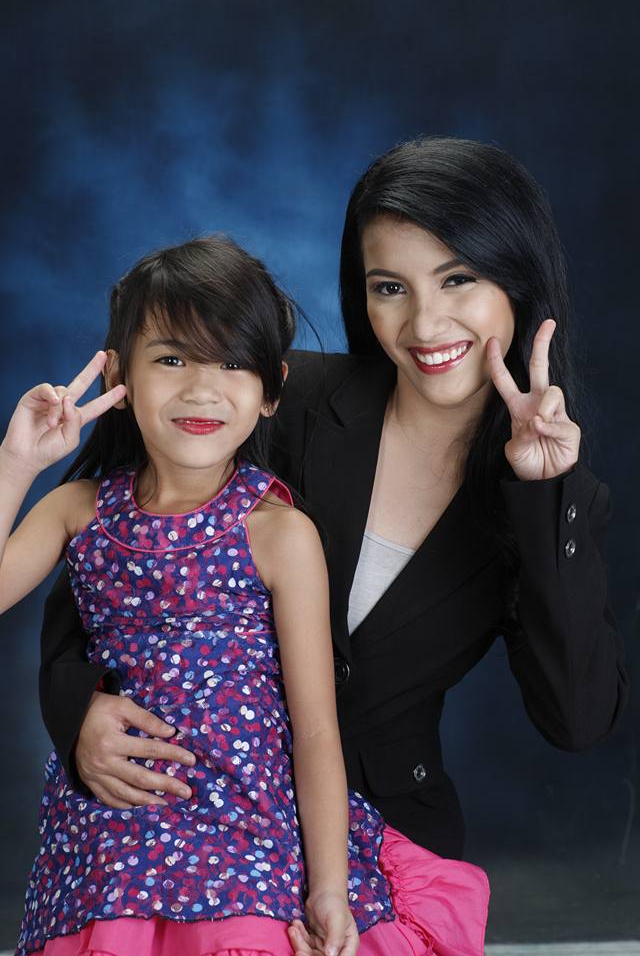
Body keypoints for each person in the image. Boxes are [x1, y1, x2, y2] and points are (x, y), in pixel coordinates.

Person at [40, 138, 627, 859]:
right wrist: (79, 710)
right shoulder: (278, 400)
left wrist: (544, 495)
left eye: (458, 279)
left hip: (386, 833)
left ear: (519, 282)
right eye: (390, 287)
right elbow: (101, 561)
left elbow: (578, 720)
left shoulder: (552, 501)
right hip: (187, 820)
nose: (424, 325)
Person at [4, 236, 488, 956]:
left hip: (246, 837)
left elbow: (316, 727)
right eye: (172, 359)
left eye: (232, 363)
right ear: (123, 377)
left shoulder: (279, 533)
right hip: (112, 832)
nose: (202, 389)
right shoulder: (78, 508)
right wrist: (17, 463)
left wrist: (326, 885)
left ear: (270, 393)